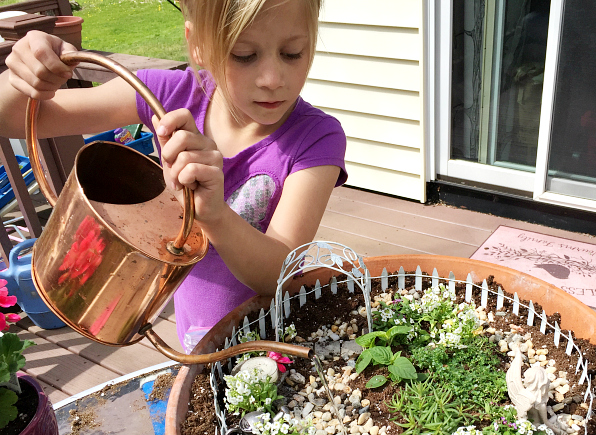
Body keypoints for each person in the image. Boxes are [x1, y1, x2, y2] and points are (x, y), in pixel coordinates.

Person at [0, 0, 347, 351]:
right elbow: (11, 117)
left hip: (273, 343)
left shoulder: (317, 138)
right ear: (197, 45)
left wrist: (215, 215)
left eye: (292, 53)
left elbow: (277, 275)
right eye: (244, 55)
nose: (273, 79)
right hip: (193, 340)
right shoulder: (169, 97)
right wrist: (25, 75)